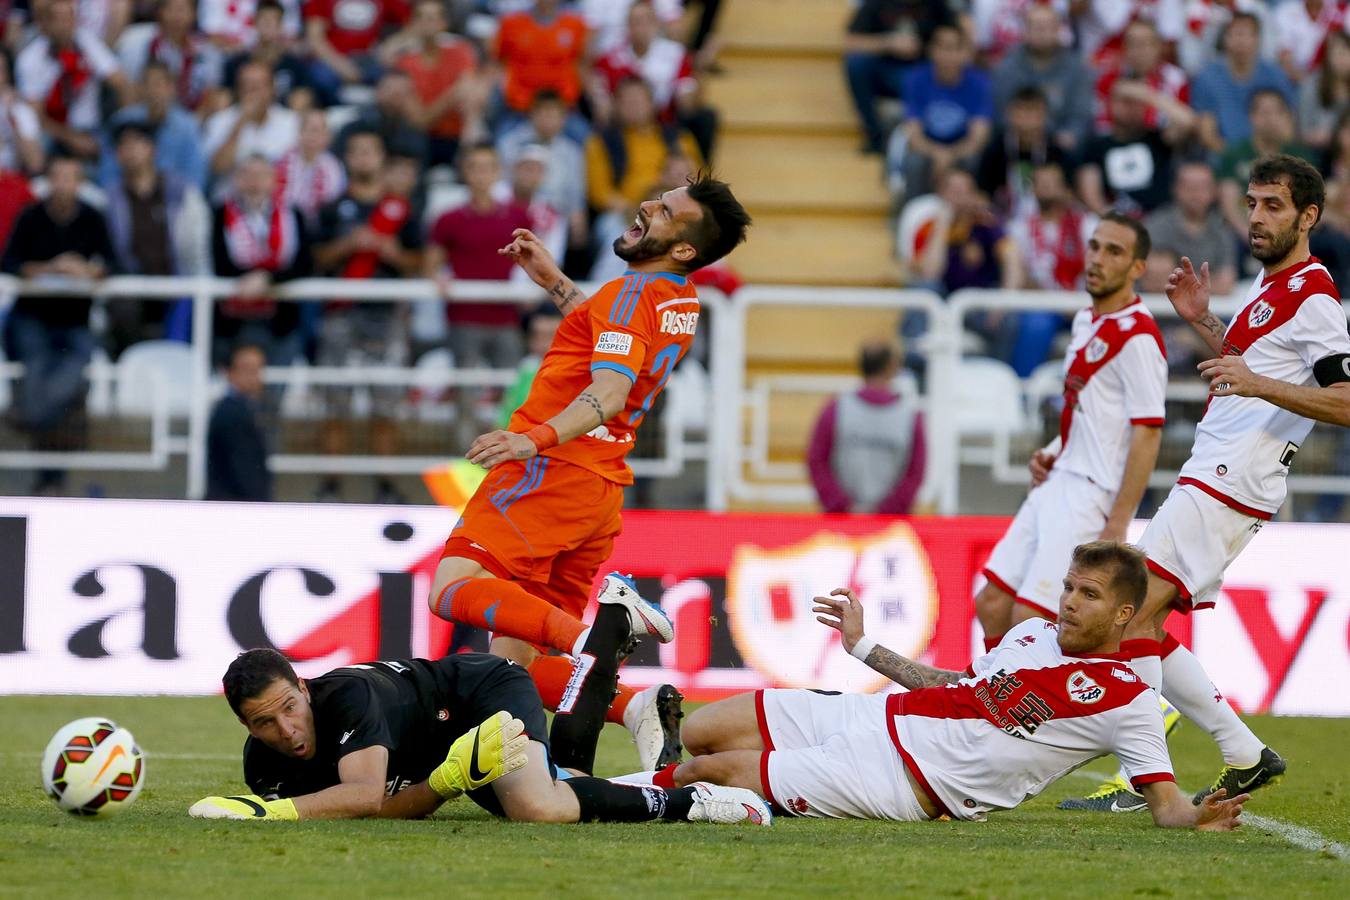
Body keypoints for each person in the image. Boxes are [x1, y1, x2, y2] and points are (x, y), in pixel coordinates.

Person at [426, 173, 751, 775]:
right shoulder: (678, 299)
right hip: (599, 490)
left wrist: (530, 439)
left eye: (667, 210)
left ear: (683, 248)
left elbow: (609, 389)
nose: (648, 203)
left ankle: (596, 640)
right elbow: (610, 337)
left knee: (449, 588)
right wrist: (556, 283)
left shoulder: (633, 295)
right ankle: (637, 708)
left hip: (550, 476)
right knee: (510, 663)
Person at [1059, 154, 1350, 810]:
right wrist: (1206, 324)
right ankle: (1244, 754)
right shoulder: (1274, 286)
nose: (1255, 216)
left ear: (1307, 216)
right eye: (1251, 203)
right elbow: (1259, 369)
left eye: (1273, 206)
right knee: (1142, 623)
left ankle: (1142, 780)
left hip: (1231, 480)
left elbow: (1344, 399)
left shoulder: (1314, 295)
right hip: (1216, 476)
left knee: (1124, 619)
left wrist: (1255, 381)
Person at [661, 542, 1250, 831]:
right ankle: (600, 791)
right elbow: (958, 685)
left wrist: (1196, 815)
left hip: (908, 778)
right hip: (876, 719)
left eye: (1088, 594)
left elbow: (1166, 808)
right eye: (1069, 587)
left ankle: (591, 797)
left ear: (1125, 615)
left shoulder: (1130, 699)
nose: (1069, 601)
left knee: (705, 772)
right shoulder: (1030, 633)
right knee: (700, 730)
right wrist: (864, 646)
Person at [189, 643, 770, 824]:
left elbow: (364, 797)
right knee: (560, 789)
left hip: (479, 693)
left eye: (289, 706)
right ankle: (673, 785)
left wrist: (271, 815)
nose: (285, 729)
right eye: (264, 722)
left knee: (536, 808)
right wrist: (445, 782)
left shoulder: (347, 697)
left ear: (305, 687)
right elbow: (378, 810)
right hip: (449, 751)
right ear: (245, 725)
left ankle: (690, 803)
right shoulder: (262, 766)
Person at [974, 214, 1167, 686]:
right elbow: (1091, 410)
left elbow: (1147, 431)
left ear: (1138, 267)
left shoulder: (1139, 337)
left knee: (1030, 617)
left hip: (1089, 493)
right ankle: (1004, 707)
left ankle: (1041, 719)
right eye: (1096, 247)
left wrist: (1121, 517)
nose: (1098, 259)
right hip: (1059, 479)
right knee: (991, 603)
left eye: (1114, 252)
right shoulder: (1086, 320)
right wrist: (1054, 449)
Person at [311, 127, 423, 504]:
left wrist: (392, 252)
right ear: (347, 159)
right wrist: (349, 244)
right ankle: (331, 486)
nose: (363, 158)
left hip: (387, 316)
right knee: (335, 404)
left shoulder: (403, 211)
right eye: (356, 151)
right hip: (340, 314)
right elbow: (316, 259)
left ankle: (385, 486)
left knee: (385, 406)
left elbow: (419, 261)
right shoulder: (331, 208)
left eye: (370, 151)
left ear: (382, 159)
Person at [0, 154, 114, 494]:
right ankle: (51, 475)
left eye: (71, 177)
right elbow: (10, 262)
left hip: (74, 319)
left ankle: (28, 417)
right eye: (58, 177)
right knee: (40, 367)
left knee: (75, 368)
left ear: (80, 183)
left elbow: (111, 263)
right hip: (32, 316)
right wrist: (51, 269)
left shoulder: (92, 219)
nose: (64, 185)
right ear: (50, 181)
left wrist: (85, 269)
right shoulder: (32, 216)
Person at [104, 120, 212, 356]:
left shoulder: (181, 192)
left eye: (137, 144)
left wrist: (197, 279)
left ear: (152, 149)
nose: (131, 152)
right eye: (124, 146)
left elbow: (197, 245)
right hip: (134, 286)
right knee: (121, 308)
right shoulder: (110, 199)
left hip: (178, 282)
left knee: (195, 310)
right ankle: (131, 371)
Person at [426, 142, 532, 377]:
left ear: (497, 172)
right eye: (474, 167)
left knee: (511, 390)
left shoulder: (519, 215)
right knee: (465, 391)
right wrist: (439, 278)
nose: (481, 175)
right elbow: (431, 265)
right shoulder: (449, 219)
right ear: (465, 172)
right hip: (464, 316)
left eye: (487, 167)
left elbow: (534, 260)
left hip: (506, 315)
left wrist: (530, 289)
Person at [211, 155, 311, 366]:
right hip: (232, 319)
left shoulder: (293, 215)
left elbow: (304, 263)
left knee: (275, 384)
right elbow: (217, 261)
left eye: (261, 175)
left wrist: (268, 279)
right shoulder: (219, 214)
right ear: (236, 179)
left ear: (274, 180)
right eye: (247, 174)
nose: (254, 181)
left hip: (280, 319)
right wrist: (250, 279)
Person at [807, 338, 925, 515]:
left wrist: (841, 505)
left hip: (842, 522)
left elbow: (817, 461)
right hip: (891, 526)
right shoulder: (910, 416)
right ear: (892, 366)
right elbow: (915, 471)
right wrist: (889, 509)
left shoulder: (835, 408)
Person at [591, 0, 718, 161]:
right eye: (635, 22)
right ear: (627, 26)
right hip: (622, 126)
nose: (640, 28)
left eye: (646, 21)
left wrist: (699, 69)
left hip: (665, 125)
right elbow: (601, 103)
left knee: (705, 117)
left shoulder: (675, 55)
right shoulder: (609, 59)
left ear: (656, 24)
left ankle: (700, 176)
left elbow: (687, 104)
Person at [888, 23, 992, 202]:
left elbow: (979, 136)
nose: (947, 55)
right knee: (914, 162)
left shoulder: (979, 82)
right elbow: (913, 133)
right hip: (927, 145)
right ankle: (910, 215)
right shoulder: (915, 79)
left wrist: (950, 155)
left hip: (962, 146)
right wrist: (938, 154)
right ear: (931, 51)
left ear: (964, 53)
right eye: (942, 47)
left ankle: (972, 219)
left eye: (953, 48)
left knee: (975, 160)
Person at [15, 0, 131, 159]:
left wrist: (126, 124)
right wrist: (72, 139)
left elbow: (120, 82)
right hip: (54, 133)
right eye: (59, 19)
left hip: (93, 129)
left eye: (69, 18)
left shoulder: (86, 41)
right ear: (46, 24)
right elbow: (35, 114)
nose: (65, 25)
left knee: (124, 143)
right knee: (27, 124)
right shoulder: (31, 59)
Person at [843, 0, 954, 154]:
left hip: (924, 72)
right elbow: (851, 41)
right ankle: (875, 135)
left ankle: (935, 136)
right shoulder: (876, 4)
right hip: (885, 71)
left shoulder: (936, 6)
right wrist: (889, 43)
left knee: (923, 76)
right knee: (856, 63)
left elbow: (953, 35)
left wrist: (931, 48)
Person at [1075, 77, 1195, 217]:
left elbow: (1188, 122)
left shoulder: (1157, 139)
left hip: (1159, 221)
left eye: (1137, 102)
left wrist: (1148, 95)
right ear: (1111, 104)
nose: (1132, 108)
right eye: (1125, 101)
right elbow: (1091, 196)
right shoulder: (1096, 145)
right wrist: (1117, 222)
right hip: (1116, 220)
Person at [386, 0, 485, 167]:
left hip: (457, 133)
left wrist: (449, 103)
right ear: (414, 23)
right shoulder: (405, 62)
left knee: (474, 115)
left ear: (443, 23)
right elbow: (419, 121)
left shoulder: (460, 52)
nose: (427, 24)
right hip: (424, 139)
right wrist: (452, 95)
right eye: (422, 18)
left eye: (432, 18)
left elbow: (469, 97)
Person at [991, 4, 1093, 153]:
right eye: (1036, 26)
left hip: (1061, 144)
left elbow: (1081, 115)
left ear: (1059, 30)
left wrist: (1068, 136)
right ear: (1024, 31)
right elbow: (1001, 113)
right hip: (1017, 142)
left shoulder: (1077, 68)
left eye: (1047, 27)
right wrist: (1026, 134)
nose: (1041, 32)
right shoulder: (1007, 68)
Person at [1216, 90, 1315, 242]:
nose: (1270, 119)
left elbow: (1312, 202)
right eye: (1264, 112)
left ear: (1286, 116)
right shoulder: (1235, 155)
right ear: (1251, 117)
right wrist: (1249, 235)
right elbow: (1229, 205)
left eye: (1277, 112)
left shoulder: (1300, 158)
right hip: (1245, 231)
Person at [99, 60, 209, 191]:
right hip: (126, 198)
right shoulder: (122, 120)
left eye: (159, 84)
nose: (154, 91)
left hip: (175, 199)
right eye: (148, 84)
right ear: (141, 88)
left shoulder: (187, 126)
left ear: (171, 88)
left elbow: (195, 176)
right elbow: (108, 172)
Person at [1190, 12, 1294, 150]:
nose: (1240, 40)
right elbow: (1207, 133)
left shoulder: (1275, 76)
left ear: (1257, 39)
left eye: (1246, 34)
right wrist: (1235, 159)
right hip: (1223, 156)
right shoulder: (1207, 77)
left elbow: (1288, 128)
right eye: (1234, 34)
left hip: (1269, 155)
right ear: (1225, 39)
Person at [975, 86, 1072, 219]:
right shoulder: (994, 151)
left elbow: (1067, 195)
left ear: (1045, 116)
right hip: (1002, 218)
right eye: (1020, 111)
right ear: (1009, 114)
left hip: (1045, 219)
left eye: (1032, 112)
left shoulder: (1056, 151)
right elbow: (983, 194)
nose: (1027, 119)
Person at [1146, 162, 1238, 298]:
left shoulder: (1222, 228)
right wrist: (1209, 281)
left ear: (1213, 191)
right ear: (1175, 189)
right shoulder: (1157, 224)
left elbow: (1226, 284)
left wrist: (1177, 277)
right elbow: (1153, 282)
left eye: (1202, 187)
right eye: (1189, 187)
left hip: (1209, 310)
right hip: (1161, 310)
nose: (1195, 193)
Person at [202, 59, 300, 182]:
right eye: (247, 86)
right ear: (238, 90)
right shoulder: (219, 121)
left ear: (272, 89)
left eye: (259, 86)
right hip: (230, 197)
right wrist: (240, 123)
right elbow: (217, 168)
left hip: (279, 196)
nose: (253, 93)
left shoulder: (291, 121)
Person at [116, 0, 223, 111]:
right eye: (171, 9)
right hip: (145, 112)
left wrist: (192, 124)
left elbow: (210, 94)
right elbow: (129, 88)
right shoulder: (136, 40)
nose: (176, 16)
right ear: (160, 11)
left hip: (189, 118)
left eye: (182, 10)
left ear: (194, 14)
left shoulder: (206, 51)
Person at [493, 0, 588, 126]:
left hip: (563, 111)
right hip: (520, 109)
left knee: (587, 140)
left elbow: (583, 65)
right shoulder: (511, 24)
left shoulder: (575, 26)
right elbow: (497, 63)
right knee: (501, 142)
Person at [303, 0, 407, 106]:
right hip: (333, 60)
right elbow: (315, 38)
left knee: (399, 79)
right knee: (321, 77)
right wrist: (342, 66)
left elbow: (412, 23)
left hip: (371, 59)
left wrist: (390, 46)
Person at [206, 344, 273, 502]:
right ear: (230, 372)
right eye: (247, 369)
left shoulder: (246, 408)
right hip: (235, 507)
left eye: (258, 369)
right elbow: (243, 469)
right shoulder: (232, 412)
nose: (254, 376)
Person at [334, 68, 429, 166]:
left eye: (403, 91)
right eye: (391, 89)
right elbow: (338, 163)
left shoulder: (414, 131)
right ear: (377, 92)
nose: (396, 95)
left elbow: (419, 169)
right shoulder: (356, 126)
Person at [222, 0, 309, 105]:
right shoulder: (237, 63)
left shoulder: (294, 65)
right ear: (254, 24)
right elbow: (226, 96)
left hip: (282, 117)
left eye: (273, 20)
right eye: (264, 20)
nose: (268, 25)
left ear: (281, 26)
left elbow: (303, 95)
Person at [274, 108, 345, 228]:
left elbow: (333, 201)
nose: (312, 135)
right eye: (307, 129)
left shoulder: (334, 167)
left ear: (327, 136)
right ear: (299, 132)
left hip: (320, 225)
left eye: (317, 130)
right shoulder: (281, 160)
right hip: (286, 223)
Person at [499, 303, 563, 428]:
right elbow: (505, 418)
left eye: (550, 336)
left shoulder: (578, 372)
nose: (542, 345)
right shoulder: (527, 368)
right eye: (536, 336)